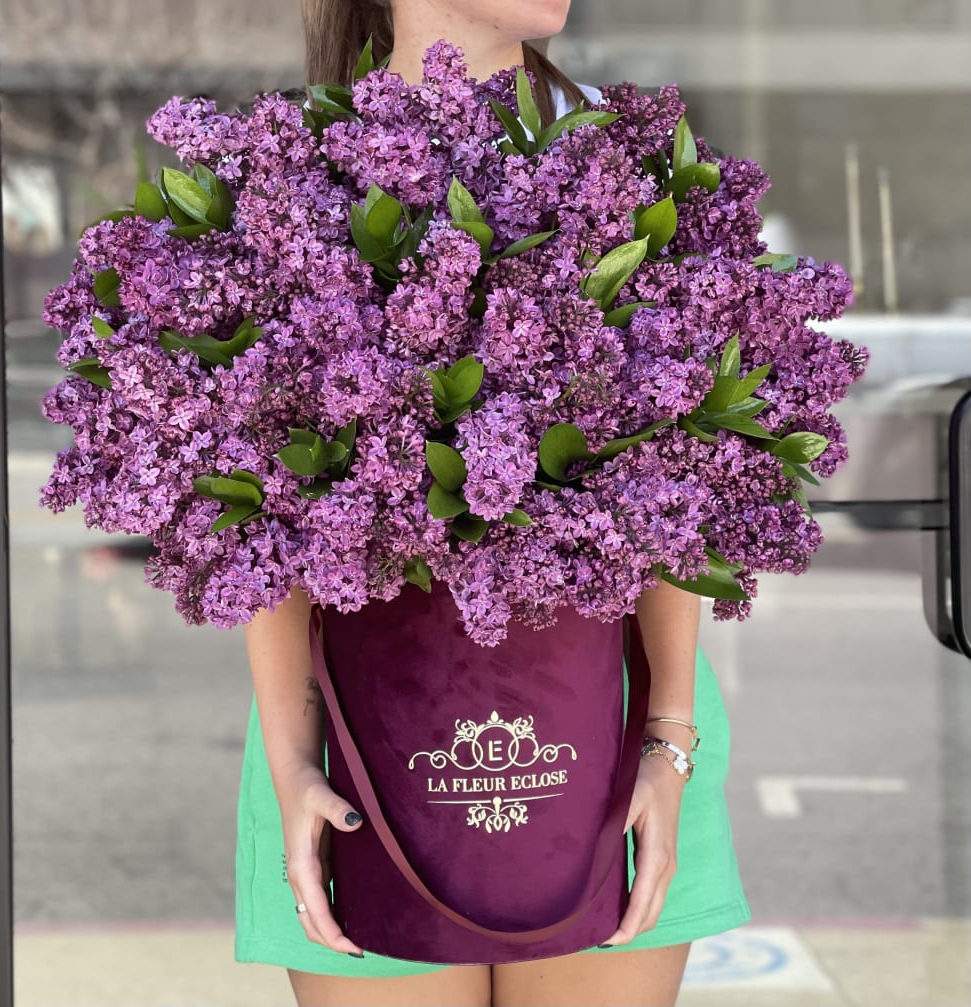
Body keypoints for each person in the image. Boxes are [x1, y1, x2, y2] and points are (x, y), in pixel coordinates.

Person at [235, 2, 751, 1005]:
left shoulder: (627, 163)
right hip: (353, 747)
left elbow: (677, 476)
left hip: (616, 734)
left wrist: (668, 737)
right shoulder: (290, 171)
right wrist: (294, 764)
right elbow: (261, 514)